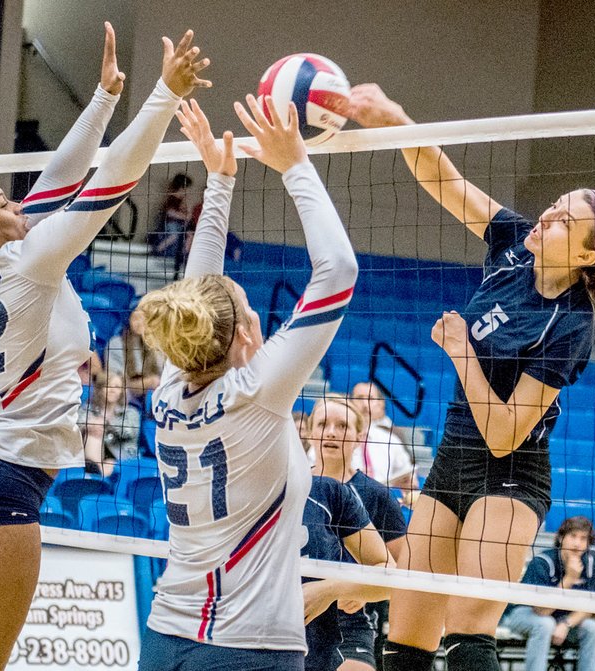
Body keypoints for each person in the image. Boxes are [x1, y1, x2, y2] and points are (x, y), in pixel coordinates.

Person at [0, 24, 210, 671]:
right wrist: (162, 96)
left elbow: (57, 179)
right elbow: (107, 182)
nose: (18, 201)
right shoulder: (29, 260)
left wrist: (102, 99)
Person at [346, 84, 595, 671]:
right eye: (555, 205)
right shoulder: (513, 248)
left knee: (467, 639)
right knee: (404, 643)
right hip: (453, 456)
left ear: (586, 256)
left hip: (510, 472)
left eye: (564, 222)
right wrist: (397, 119)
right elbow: (448, 185)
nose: (548, 216)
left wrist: (463, 355)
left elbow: (505, 433)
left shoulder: (570, 324)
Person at [136, 94, 357, 671]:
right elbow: (339, 270)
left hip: (164, 638)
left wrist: (221, 180)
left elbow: (199, 287)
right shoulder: (258, 391)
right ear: (242, 338)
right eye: (248, 308)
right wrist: (295, 165)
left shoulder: (169, 386)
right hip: (248, 649)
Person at [303, 396, 405, 671]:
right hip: (293, 612)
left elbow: (402, 573)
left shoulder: (376, 495)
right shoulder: (291, 485)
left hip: (350, 620)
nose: (332, 432)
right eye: (323, 424)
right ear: (310, 431)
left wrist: (360, 590)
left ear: (359, 436)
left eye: (342, 426)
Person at [502, 517, 595, 671]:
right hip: (521, 613)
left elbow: (588, 607)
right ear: (561, 537)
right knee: (545, 624)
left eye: (583, 539)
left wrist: (566, 624)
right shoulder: (542, 562)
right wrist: (569, 579)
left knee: (593, 628)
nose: (577, 543)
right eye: (573, 536)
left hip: (559, 617)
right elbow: (542, 611)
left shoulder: (590, 563)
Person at [349, 382, 415, 490]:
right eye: (359, 398)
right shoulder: (335, 437)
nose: (365, 404)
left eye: (370, 399)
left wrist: (408, 483)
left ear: (381, 404)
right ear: (350, 402)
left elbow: (409, 476)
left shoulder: (392, 439)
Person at [80, 371, 141, 476]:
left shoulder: (130, 412)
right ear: (100, 388)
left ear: (122, 391)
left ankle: (97, 473)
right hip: (94, 453)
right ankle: (96, 469)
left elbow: (130, 432)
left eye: (117, 387)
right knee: (93, 432)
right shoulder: (88, 409)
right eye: (108, 386)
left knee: (110, 463)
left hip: (121, 455)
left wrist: (106, 423)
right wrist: (90, 424)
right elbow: (75, 425)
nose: (112, 390)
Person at [105, 305, 164, 403]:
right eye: (136, 318)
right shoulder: (116, 343)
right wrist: (146, 382)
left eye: (144, 319)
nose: (140, 323)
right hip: (125, 392)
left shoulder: (156, 343)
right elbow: (116, 378)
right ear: (128, 320)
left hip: (152, 390)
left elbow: (162, 372)